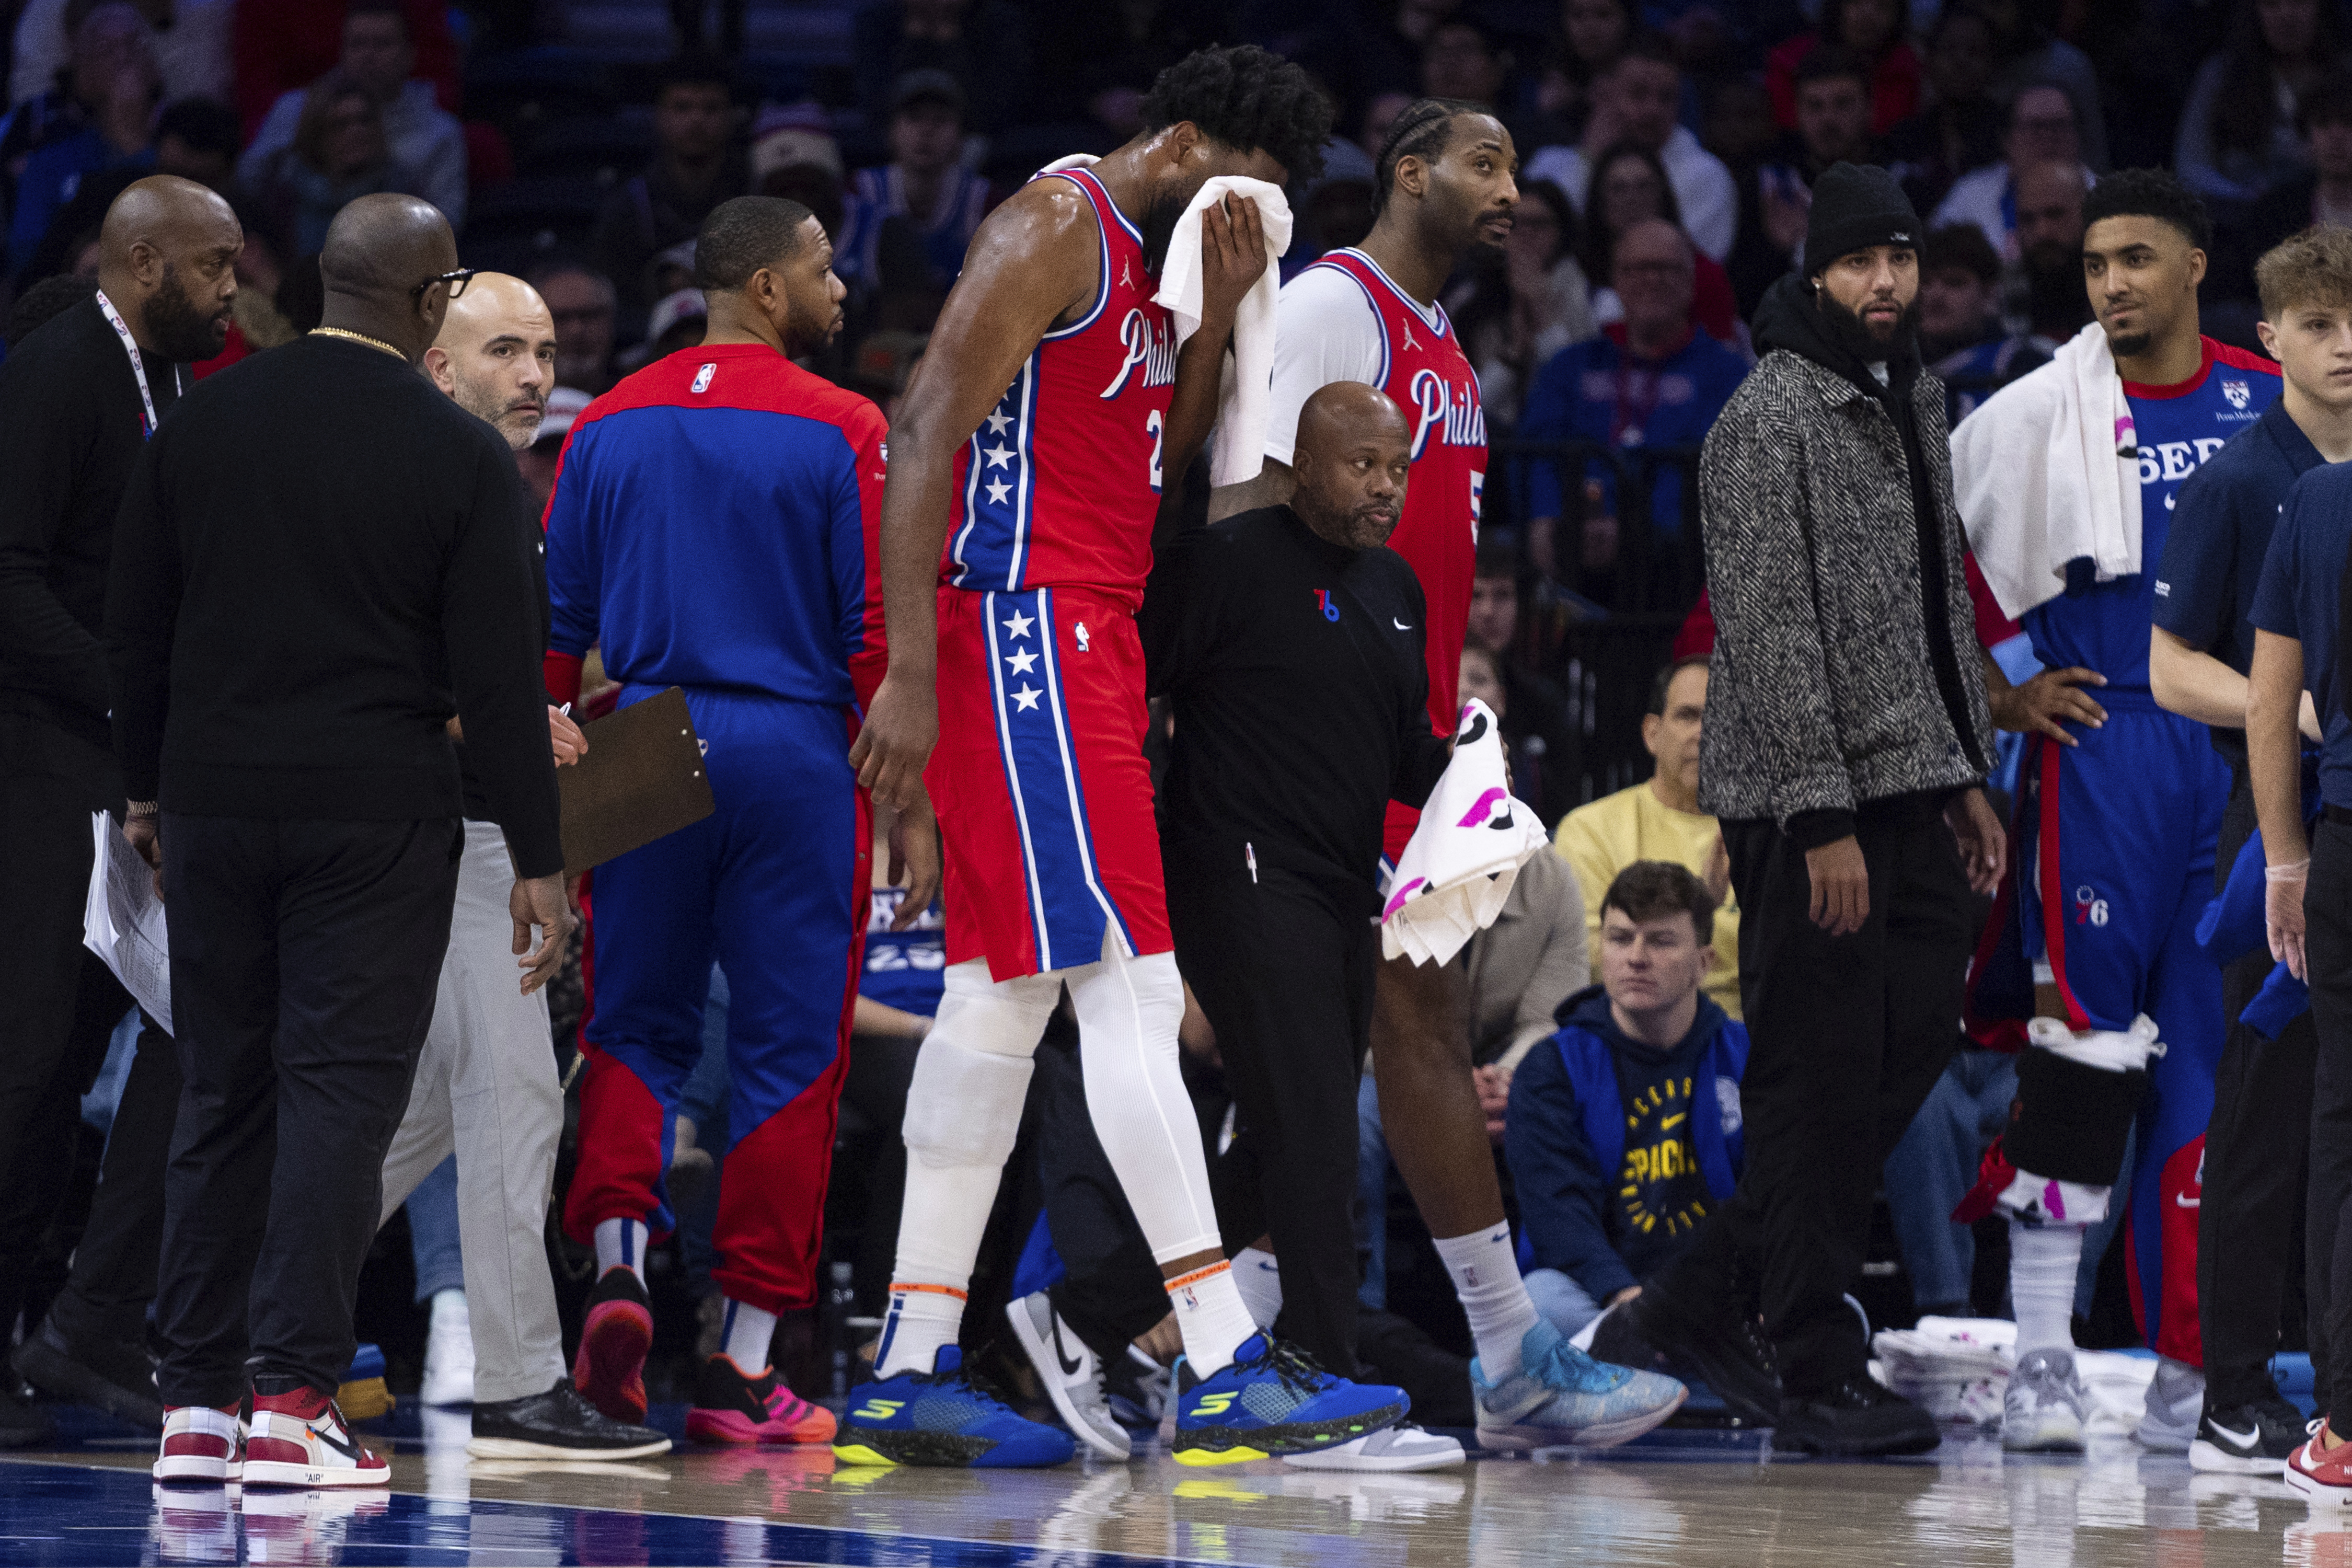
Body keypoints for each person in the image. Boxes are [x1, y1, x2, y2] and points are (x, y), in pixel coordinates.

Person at [845, 45, 1422, 1472]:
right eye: (1252, 195)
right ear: (1181, 145)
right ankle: (1227, 1355)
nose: (1260, 226)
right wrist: (908, 678)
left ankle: (911, 1360)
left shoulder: (1165, 278)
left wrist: (1222, 316)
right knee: (1131, 989)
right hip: (1024, 627)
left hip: (1083, 630)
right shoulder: (1055, 226)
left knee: (997, 1004)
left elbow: (1145, 462)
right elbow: (922, 424)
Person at [1212, 94, 1678, 1452]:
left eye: (1519, 169)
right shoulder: (1326, 309)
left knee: (1406, 1026)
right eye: (1481, 163)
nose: (1509, 190)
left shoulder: (1440, 346)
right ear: (1404, 171)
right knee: (1323, 1054)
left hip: (1417, 738)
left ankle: (1489, 1350)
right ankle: (1228, 1353)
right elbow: (1241, 502)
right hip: (1323, 733)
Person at [108, 193, 570, 1489]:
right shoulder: (461, 454)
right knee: (333, 1101)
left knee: (220, 1088)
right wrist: (538, 856)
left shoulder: (201, 420)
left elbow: (135, 630)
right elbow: (496, 677)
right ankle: (291, 1401)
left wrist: (142, 791)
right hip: (373, 810)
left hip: (206, 801)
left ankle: (192, 1409)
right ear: (431, 308)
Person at [1147, 382, 1655, 1469]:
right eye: (1360, 467)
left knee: (1290, 1136)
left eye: (1397, 469)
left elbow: (1396, 756)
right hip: (1238, 874)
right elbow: (1141, 701)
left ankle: (1086, 1320)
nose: (1382, 491)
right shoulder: (1228, 563)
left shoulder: (1397, 589)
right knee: (1324, 1135)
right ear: (1302, 462)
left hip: (1343, 887)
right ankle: (1321, 1391)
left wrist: (1473, 769)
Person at [1612, 162, 2005, 1457]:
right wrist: (1818, 818)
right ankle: (1812, 1353)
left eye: (1897, 258)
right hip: (1811, 810)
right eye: (1858, 263)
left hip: (1916, 790)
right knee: (1813, 1083)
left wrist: (1966, 770)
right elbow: (1768, 637)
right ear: (1812, 273)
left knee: (1897, 1069)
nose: (1884, 282)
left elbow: (1935, 611)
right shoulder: (1758, 420)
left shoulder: (1916, 395)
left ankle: (1687, 1301)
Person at [545, 197, 897, 1450]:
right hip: (793, 745)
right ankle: (742, 1364)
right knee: (788, 1052)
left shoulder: (603, 419)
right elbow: (873, 637)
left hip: (639, 728)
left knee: (630, 1022)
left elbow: (553, 633)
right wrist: (899, 795)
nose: (840, 286)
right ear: (762, 288)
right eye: (821, 267)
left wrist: (555, 754)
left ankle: (623, 1264)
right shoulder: (845, 424)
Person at [1954, 169, 2274, 1456]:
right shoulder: (2036, 410)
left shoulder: (2270, 393)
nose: (2110, 285)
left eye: (2135, 258)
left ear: (2195, 263)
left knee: (2213, 1071)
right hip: (2099, 755)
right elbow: (1947, 569)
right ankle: (2039, 1355)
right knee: (2075, 1051)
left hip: (2237, 754)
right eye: (2092, 264)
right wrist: (2007, 689)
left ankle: (2189, 1369)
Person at [345, 271, 669, 1461]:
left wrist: (522, 719)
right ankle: (521, 1382)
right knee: (515, 1094)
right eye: (501, 350)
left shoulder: (487, 489)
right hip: (432, 836)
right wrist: (492, 719)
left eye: (540, 350)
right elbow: (360, 657)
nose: (533, 372)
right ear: (435, 364)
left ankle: (225, 1310)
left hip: (466, 832)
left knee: (430, 1109)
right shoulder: (421, 483)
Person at [0, 174, 237, 1448]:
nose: (231, 293)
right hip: (45, 768)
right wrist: (124, 695)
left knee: (95, 1057)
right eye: (213, 269)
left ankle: (78, 1325)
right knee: (26, 1064)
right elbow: (9, 573)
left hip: (118, 777)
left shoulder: (165, 382)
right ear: (143, 263)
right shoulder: (57, 370)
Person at [2150, 224, 2352, 1473]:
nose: (2344, 348)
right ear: (2267, 339)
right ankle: (2230, 1386)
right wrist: (2288, 706)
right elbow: (2168, 670)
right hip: (2271, 821)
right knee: (2269, 1106)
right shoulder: (2239, 476)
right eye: (2319, 325)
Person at [2253, 312, 2352, 1511]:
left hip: (2343, 845)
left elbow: (2267, 700)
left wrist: (2284, 854)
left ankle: (2338, 1425)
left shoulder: (2316, 504)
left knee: (2341, 1126)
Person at [1507, 861, 1746, 1339]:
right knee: (1538, 1306)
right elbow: (1559, 1215)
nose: (1636, 958)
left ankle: (1671, 1362)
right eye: (1619, 938)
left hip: (1720, 1292)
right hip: (1604, 1300)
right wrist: (1632, 1305)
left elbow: (1775, 1194)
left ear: (1704, 962)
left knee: (1837, 1309)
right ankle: (1692, 1360)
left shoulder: (1745, 1057)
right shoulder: (1551, 1067)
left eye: (1660, 941)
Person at [1519, 218, 1750, 578]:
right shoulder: (1570, 368)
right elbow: (1538, 452)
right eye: (1637, 269)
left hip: (1677, 567)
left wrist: (1633, 529)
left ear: (1690, 283)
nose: (1651, 280)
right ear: (1616, 281)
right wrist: (1547, 513)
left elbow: (1724, 476)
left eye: (1666, 268)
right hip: (1571, 554)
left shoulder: (1728, 377)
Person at [1554, 655, 1739, 1020]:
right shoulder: (1591, 830)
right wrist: (1702, 908)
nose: (1705, 733)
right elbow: (1594, 961)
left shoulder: (1767, 835)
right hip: (1634, 1039)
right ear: (1652, 733)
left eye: (1722, 719)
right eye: (1689, 716)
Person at [234, 0, 465, 229]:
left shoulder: (441, 132)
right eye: (357, 44)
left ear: (409, 54)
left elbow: (446, 224)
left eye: (382, 44)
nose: (368, 56)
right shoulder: (293, 109)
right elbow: (248, 186)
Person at [1526, 35, 1738, 262]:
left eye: (1666, 98)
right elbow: (1536, 253)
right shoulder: (1548, 163)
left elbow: (1685, 268)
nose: (1653, 110)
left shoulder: (1707, 176)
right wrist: (1591, 161)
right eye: (1638, 94)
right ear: (1604, 95)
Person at [6, 4, 160, 275]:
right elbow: (24, 258)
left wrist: (133, 141)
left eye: (133, 45)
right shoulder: (50, 161)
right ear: (83, 69)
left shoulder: (183, 136)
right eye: (106, 50)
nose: (123, 58)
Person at [593, 53, 746, 317]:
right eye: (682, 108)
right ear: (660, 116)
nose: (697, 120)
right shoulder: (629, 206)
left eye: (711, 109)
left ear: (731, 118)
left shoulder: (753, 197)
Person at [2175, 0, 2343, 210]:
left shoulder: (2344, 76)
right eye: (2271, 4)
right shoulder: (2222, 77)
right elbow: (2191, 167)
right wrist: (2244, 197)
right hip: (2243, 222)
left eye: (2299, 2)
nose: (2286, 14)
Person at [1462, 545, 1580, 828]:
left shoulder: (1545, 703)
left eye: (1502, 595)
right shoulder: (1423, 690)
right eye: (1476, 595)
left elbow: (1564, 810)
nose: (1489, 611)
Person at [1754, 44, 1883, 274]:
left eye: (1843, 104)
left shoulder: (1903, 184)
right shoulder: (1769, 187)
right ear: (1798, 112)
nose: (1828, 119)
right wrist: (1778, 252)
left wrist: (1800, 248)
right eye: (1815, 106)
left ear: (1869, 109)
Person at [1932, 84, 2084, 264]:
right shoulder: (1970, 194)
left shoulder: (2099, 191)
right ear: (2008, 140)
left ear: (2077, 136)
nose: (2048, 137)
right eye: (2035, 127)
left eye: (2060, 126)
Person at [1920, 221, 2047, 427]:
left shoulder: (2019, 362)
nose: (1935, 295)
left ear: (1989, 295)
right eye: (1925, 283)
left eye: (1954, 282)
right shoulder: (1895, 370)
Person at [1882, 5, 2003, 218]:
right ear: (1929, 60)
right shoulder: (1905, 138)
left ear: (1993, 64)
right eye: (1950, 50)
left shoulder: (2007, 136)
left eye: (1974, 52)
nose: (1961, 62)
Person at [2008, 159, 2095, 348]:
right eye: (2027, 219)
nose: (2042, 232)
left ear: (2089, 214)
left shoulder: (2123, 292)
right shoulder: (2003, 302)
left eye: (2055, 214)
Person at [527, 258, 621, 396]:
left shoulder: (642, 397)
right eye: (559, 318)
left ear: (611, 320)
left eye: (589, 316)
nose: (575, 331)